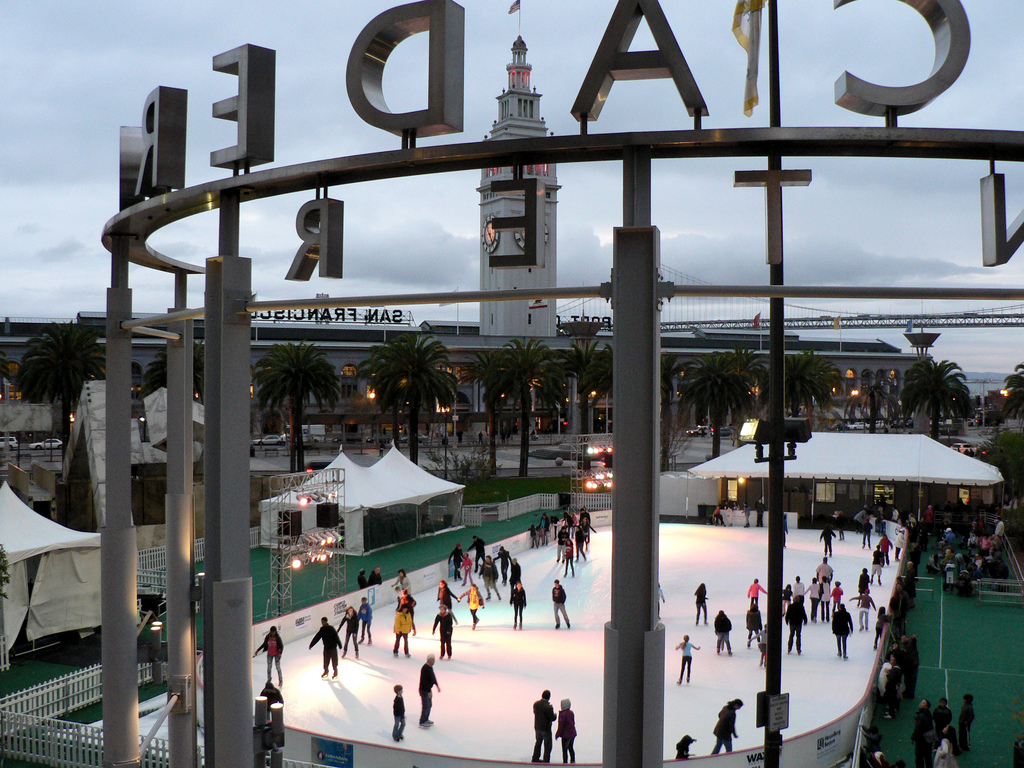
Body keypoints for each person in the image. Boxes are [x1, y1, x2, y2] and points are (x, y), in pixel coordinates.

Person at [532, 689, 557, 762]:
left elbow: (535, 712)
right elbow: (552, 718)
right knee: (548, 746)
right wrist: (555, 715)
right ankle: (546, 761)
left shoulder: (536, 704)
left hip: (537, 727)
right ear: (549, 697)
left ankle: (535, 758)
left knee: (538, 742)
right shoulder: (548, 707)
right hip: (546, 729)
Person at [910, 699, 935, 768]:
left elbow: (917, 728)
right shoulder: (928, 713)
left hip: (922, 738)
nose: (920, 703)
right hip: (929, 736)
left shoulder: (921, 715)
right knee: (928, 756)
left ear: (926, 706)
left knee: (919, 756)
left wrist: (913, 737)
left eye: (923, 703)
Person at [418, 654, 440, 727]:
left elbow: (433, 677)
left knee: (429, 705)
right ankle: (422, 721)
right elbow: (425, 681)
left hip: (427, 690)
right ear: (429, 660)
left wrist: (437, 685)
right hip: (424, 690)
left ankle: (426, 719)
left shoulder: (430, 668)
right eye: (432, 660)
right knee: (426, 706)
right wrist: (428, 691)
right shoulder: (425, 668)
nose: (434, 661)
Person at [555, 698, 577, 764]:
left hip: (565, 735)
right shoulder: (571, 713)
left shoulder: (563, 714)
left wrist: (557, 734)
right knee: (571, 748)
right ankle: (573, 760)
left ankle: (565, 763)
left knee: (564, 749)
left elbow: (561, 726)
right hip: (572, 734)